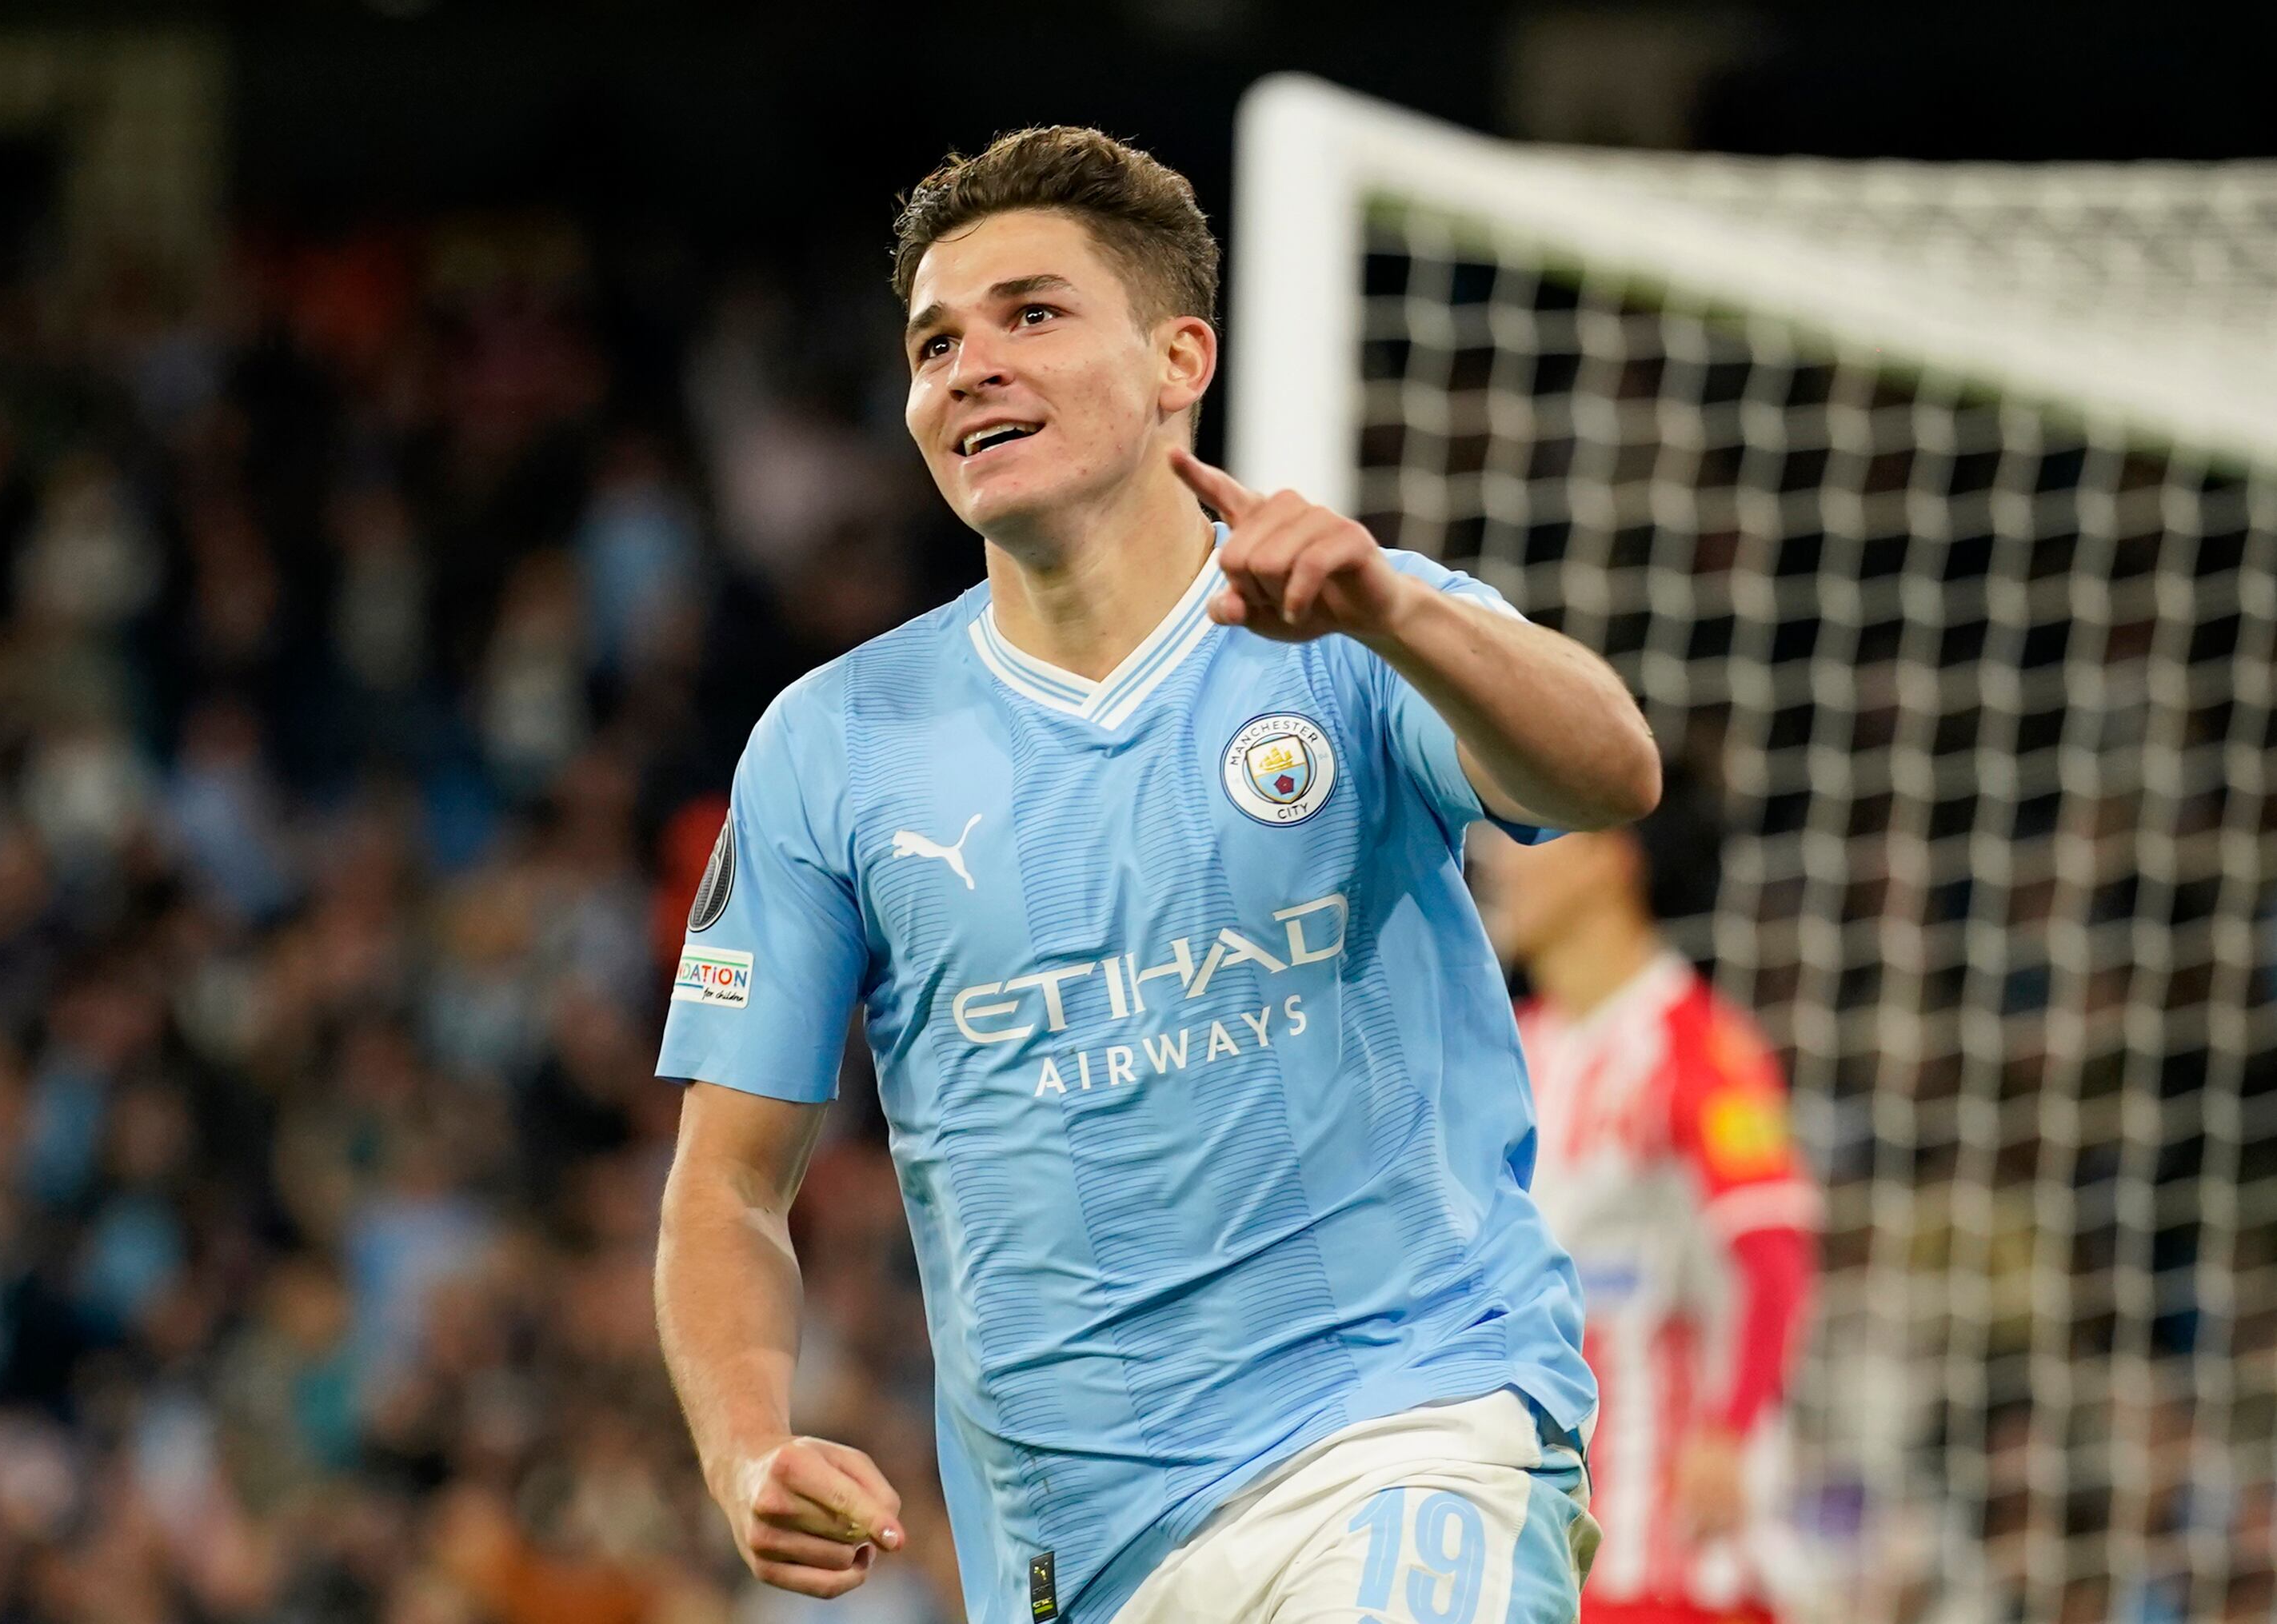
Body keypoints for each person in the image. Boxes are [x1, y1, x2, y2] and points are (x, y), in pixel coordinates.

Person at [652, 125, 1661, 1624]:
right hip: (1079, 1549)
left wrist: (1396, 614)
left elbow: (1608, 772)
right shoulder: (831, 745)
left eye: (1032, 315)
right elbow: (727, 1187)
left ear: (1181, 356)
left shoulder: (1351, 621)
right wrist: (745, 1453)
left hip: (1409, 1428)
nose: (967, 366)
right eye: (936, 342)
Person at [1475, 769, 1820, 1624]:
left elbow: (1773, 1251)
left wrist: (1732, 1430)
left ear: (1608, 860)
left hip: (1670, 1548)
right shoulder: (1511, 1050)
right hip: (1529, 1541)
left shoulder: (1698, 1047)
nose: (1496, 860)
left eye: (1525, 839)